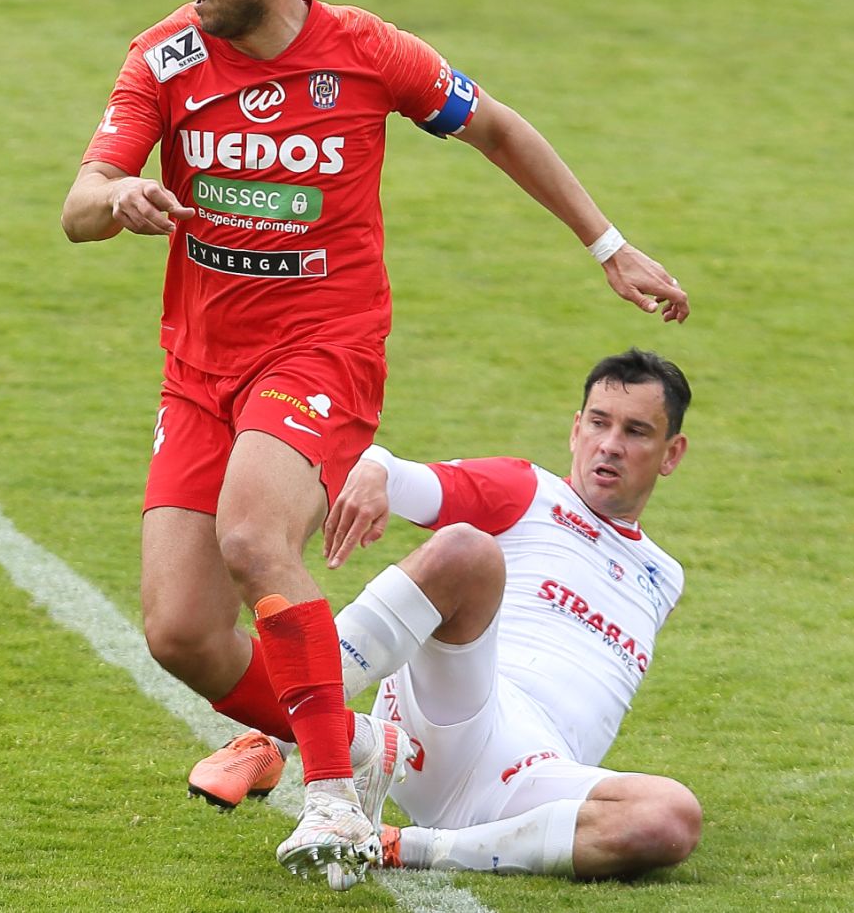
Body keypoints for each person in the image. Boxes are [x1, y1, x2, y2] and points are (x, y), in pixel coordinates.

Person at [61, 0, 690, 887]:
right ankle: (363, 750)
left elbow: (491, 125)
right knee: (180, 632)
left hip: (319, 354)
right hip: (197, 371)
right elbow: (77, 201)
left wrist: (605, 244)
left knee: (253, 535)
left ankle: (328, 794)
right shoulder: (163, 61)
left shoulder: (364, 53)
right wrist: (118, 200)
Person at [195, 349, 703, 882]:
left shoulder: (666, 577)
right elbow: (399, 476)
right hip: (458, 709)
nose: (611, 444)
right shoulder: (531, 491)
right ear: (576, 430)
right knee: (466, 551)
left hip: (534, 777)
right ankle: (268, 737)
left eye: (637, 431)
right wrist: (375, 468)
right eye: (599, 422)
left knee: (670, 817)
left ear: (671, 454)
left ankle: (398, 846)